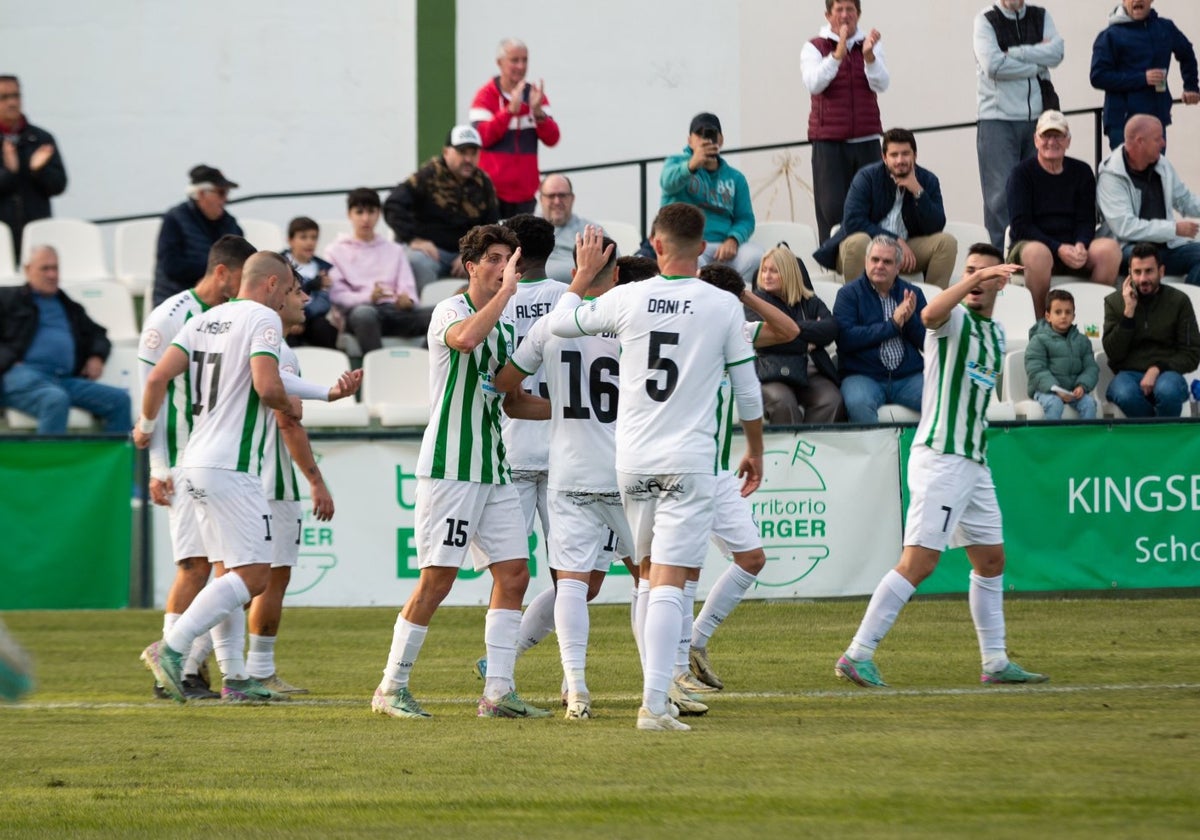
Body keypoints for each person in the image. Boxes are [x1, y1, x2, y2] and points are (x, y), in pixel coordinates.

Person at [549, 202, 765, 733]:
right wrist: (755, 449)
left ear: (657, 244)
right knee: (670, 581)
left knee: (647, 578)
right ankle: (655, 703)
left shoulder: (627, 297)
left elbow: (559, 323)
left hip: (632, 461)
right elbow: (746, 387)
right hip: (688, 461)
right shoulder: (721, 305)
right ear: (704, 248)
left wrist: (578, 276)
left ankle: (655, 700)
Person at [136, 252, 362, 703]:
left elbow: (158, 376)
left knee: (228, 571)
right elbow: (267, 384)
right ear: (273, 284)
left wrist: (144, 427)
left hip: (192, 463)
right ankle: (173, 648)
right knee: (255, 575)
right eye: (291, 287)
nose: (294, 296)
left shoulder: (207, 319)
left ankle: (235, 677)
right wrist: (287, 405)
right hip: (229, 466)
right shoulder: (263, 319)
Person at [836, 243, 1049, 688]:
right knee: (919, 562)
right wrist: (970, 280)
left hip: (974, 460)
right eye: (969, 271)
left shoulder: (993, 334)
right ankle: (857, 653)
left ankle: (994, 661)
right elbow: (929, 315)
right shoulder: (951, 318)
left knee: (991, 560)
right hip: (941, 458)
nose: (975, 278)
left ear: (1001, 281)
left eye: (985, 273)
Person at [372, 224, 551, 721]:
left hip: (493, 467)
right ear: (471, 267)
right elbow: (468, 340)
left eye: (507, 259)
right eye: (492, 259)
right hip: (451, 467)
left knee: (515, 574)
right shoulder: (452, 311)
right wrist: (508, 294)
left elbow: (512, 402)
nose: (502, 268)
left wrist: (575, 411)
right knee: (437, 581)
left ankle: (497, 692)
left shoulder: (508, 325)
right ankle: (390, 686)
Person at [492, 228, 624, 719]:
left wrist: (562, 406)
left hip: (560, 464)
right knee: (651, 577)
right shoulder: (628, 317)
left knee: (556, 580)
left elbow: (504, 385)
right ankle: (665, 681)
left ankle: (566, 686)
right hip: (618, 468)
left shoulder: (549, 318)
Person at [140, 234, 257, 701]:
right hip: (182, 463)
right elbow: (153, 390)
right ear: (224, 273)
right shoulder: (170, 318)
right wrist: (157, 464)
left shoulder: (227, 318)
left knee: (226, 568)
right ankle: (172, 675)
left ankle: (203, 671)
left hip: (214, 460)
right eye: (241, 277)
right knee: (194, 567)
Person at [679, 262, 800, 695]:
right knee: (674, 572)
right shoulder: (682, 328)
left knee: (751, 559)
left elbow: (789, 331)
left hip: (715, 468)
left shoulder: (734, 329)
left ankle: (695, 642)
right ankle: (671, 670)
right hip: (680, 463)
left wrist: (743, 293)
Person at [245, 268, 338, 695]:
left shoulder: (247, 337)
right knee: (270, 578)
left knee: (237, 575)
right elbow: (287, 420)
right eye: (297, 291)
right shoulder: (277, 349)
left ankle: (198, 661)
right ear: (277, 294)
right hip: (272, 479)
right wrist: (316, 482)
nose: (303, 300)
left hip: (240, 475)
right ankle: (257, 669)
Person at [0, 245, 130, 434]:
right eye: (45, 268)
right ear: (28, 270)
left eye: (55, 268)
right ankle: (48, 464)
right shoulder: (7, 298)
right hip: (19, 377)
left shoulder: (69, 306)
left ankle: (111, 464)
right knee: (55, 400)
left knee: (119, 400)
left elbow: (98, 334)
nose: (52, 274)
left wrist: (96, 355)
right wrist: (7, 360)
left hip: (63, 380)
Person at [1006, 110, 1121, 320]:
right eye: (1046, 136)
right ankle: (1041, 323)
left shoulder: (1082, 172)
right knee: (1038, 254)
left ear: (1068, 141)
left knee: (1109, 250)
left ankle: (1092, 318)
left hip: (1072, 247)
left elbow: (1086, 219)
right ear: (1036, 140)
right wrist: (1057, 248)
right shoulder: (1021, 174)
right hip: (1032, 246)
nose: (1052, 142)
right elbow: (1021, 225)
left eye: (1058, 136)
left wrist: (1081, 244)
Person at [814, 128, 957, 288]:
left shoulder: (928, 180)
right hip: (866, 249)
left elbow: (937, 225)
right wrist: (895, 240)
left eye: (905, 154)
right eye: (894, 155)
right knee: (858, 241)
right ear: (884, 157)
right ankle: (861, 307)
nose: (900, 160)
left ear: (915, 155)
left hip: (906, 251)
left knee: (947, 243)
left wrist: (918, 192)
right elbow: (853, 221)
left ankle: (933, 307)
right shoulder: (867, 177)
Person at [973, 0, 1065, 250]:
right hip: (997, 120)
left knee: (1039, 190)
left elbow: (1057, 53)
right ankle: (1002, 260)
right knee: (1000, 198)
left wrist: (1014, 53)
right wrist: (1038, 62)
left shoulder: (1041, 15)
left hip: (1038, 119)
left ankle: (1037, 253)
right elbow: (993, 66)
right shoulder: (985, 19)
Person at [801, 0, 889, 243]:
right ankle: (833, 267)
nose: (845, 15)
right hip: (829, 141)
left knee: (872, 206)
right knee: (832, 211)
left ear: (858, 14)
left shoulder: (869, 45)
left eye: (850, 10)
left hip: (867, 138)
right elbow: (814, 83)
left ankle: (872, 264)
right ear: (828, 15)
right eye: (839, 10)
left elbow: (882, 83)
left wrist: (869, 57)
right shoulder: (814, 47)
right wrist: (837, 54)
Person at [383, 125, 499, 291]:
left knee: (492, 265)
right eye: (462, 152)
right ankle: (425, 315)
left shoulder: (483, 182)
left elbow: (491, 225)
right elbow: (393, 205)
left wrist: (473, 253)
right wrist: (413, 239)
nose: (468, 159)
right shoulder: (426, 177)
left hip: (469, 254)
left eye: (473, 153)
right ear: (446, 152)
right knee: (416, 261)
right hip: (432, 253)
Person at [833, 235, 928, 424]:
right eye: (875, 260)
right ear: (866, 262)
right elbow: (845, 339)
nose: (879, 265)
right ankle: (876, 454)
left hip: (908, 377)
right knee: (859, 403)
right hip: (863, 376)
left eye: (887, 261)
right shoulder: (849, 294)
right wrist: (892, 325)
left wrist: (910, 321)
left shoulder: (912, 294)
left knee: (943, 400)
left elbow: (928, 342)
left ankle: (928, 453)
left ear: (898, 267)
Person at [660, 112, 764, 284]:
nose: (704, 139)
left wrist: (734, 239)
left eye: (710, 133)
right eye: (699, 134)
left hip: (724, 246)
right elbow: (667, 183)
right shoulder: (676, 162)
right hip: (688, 243)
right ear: (689, 140)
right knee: (688, 262)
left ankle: (736, 302)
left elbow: (745, 218)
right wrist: (692, 164)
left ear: (721, 139)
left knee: (755, 256)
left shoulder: (735, 177)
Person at [1096, 115, 1200, 287]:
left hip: (1165, 245)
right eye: (1158, 138)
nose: (1163, 143)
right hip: (1128, 249)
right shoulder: (1111, 176)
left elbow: (1184, 199)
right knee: (1148, 262)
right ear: (1140, 142)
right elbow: (1125, 228)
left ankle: (1186, 307)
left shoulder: (1161, 163)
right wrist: (1173, 229)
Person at [326, 188, 431, 355]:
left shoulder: (394, 250)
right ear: (349, 214)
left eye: (371, 212)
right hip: (361, 312)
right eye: (359, 212)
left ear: (379, 214)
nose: (365, 218)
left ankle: (425, 367)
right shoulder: (335, 251)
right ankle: (378, 370)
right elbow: (337, 295)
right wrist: (369, 297)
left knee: (441, 314)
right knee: (364, 314)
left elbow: (407, 287)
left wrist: (408, 301)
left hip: (395, 311)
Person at [1101, 242, 1200, 418]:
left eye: (1149, 271)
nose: (1142, 279)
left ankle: (1162, 439)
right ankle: (1156, 438)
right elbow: (1113, 353)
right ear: (1129, 273)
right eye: (1137, 272)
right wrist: (1128, 313)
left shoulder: (1179, 301)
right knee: (1124, 394)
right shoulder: (1115, 302)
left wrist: (1157, 369)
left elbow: (1191, 354)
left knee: (1167, 391)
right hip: (1128, 374)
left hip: (1168, 373)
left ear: (1161, 272)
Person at [749, 246, 843, 425]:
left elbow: (830, 329)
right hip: (771, 371)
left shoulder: (810, 301)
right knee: (783, 403)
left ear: (789, 273)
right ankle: (790, 451)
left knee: (831, 400)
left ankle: (811, 448)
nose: (766, 276)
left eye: (774, 271)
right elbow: (764, 342)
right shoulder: (756, 302)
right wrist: (805, 342)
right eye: (764, 270)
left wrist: (787, 329)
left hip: (810, 371)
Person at [1090, 0, 1200, 151]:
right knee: (1127, 173)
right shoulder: (1110, 35)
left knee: (1155, 172)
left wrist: (1191, 87)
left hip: (1156, 119)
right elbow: (1098, 76)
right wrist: (1142, 78)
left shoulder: (1165, 27)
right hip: (1122, 123)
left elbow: (1187, 53)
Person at [470, 38, 561, 217]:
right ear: (499, 63)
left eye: (525, 60)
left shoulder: (535, 95)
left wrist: (538, 114)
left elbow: (553, 139)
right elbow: (481, 138)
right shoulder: (485, 96)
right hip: (491, 194)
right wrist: (509, 112)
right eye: (515, 60)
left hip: (525, 195)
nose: (521, 66)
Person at [152, 164, 244, 307]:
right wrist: (216, 271)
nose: (225, 199)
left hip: (217, 303)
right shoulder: (174, 219)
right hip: (178, 302)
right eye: (221, 193)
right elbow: (171, 266)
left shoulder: (230, 223)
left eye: (226, 193)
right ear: (201, 194)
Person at [0, 75, 67, 258]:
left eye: (16, 96)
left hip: (37, 232)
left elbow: (59, 185)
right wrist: (9, 172)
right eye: (4, 97)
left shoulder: (41, 139)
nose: (12, 103)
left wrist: (38, 170)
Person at [1024, 288, 1100, 420]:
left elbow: (1091, 368)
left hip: (1073, 392)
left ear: (1074, 316)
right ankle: (1050, 440)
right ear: (1048, 316)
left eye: (1068, 312)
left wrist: (1082, 386)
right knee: (1054, 404)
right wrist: (1055, 389)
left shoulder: (1082, 341)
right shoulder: (1039, 339)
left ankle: (1086, 440)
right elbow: (1036, 369)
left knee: (1089, 403)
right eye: (1058, 312)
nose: (1063, 316)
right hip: (1046, 391)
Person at [280, 217, 339, 349]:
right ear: (290, 240)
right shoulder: (278, 264)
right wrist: (293, 318)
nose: (310, 242)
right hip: (285, 318)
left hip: (311, 319)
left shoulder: (323, 268)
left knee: (324, 328)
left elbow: (324, 303)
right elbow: (279, 296)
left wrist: (302, 317)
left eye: (314, 237)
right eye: (303, 237)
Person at [540, 174, 601, 283]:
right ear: (541, 199)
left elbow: (613, 267)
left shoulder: (592, 231)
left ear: (572, 198)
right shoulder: (526, 229)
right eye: (551, 196)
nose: (557, 201)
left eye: (562, 195)